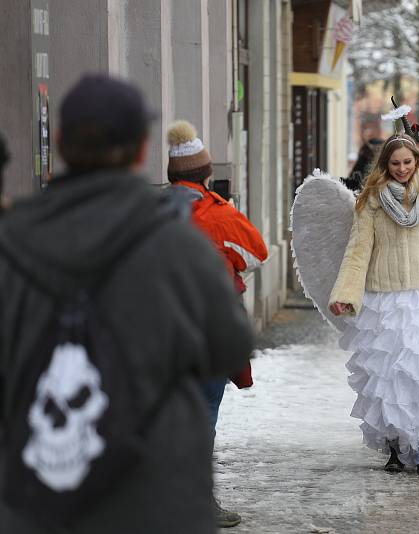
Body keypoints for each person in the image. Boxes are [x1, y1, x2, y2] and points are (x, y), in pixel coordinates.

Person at [0, 74, 255, 533]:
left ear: (60, 142)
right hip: (156, 490)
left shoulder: (11, 238)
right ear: (141, 150)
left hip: (41, 487)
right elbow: (230, 347)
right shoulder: (178, 239)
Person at [328, 134, 419, 475]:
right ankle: (394, 446)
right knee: (389, 376)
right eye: (394, 163)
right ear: (385, 165)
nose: (401, 169)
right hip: (384, 301)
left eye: (407, 163)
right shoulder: (371, 201)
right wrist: (346, 294)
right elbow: (358, 251)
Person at [165, 119, 268, 527]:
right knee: (203, 413)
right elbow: (257, 255)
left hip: (152, 332)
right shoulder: (219, 215)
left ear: (170, 175)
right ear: (207, 174)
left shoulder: (144, 212)